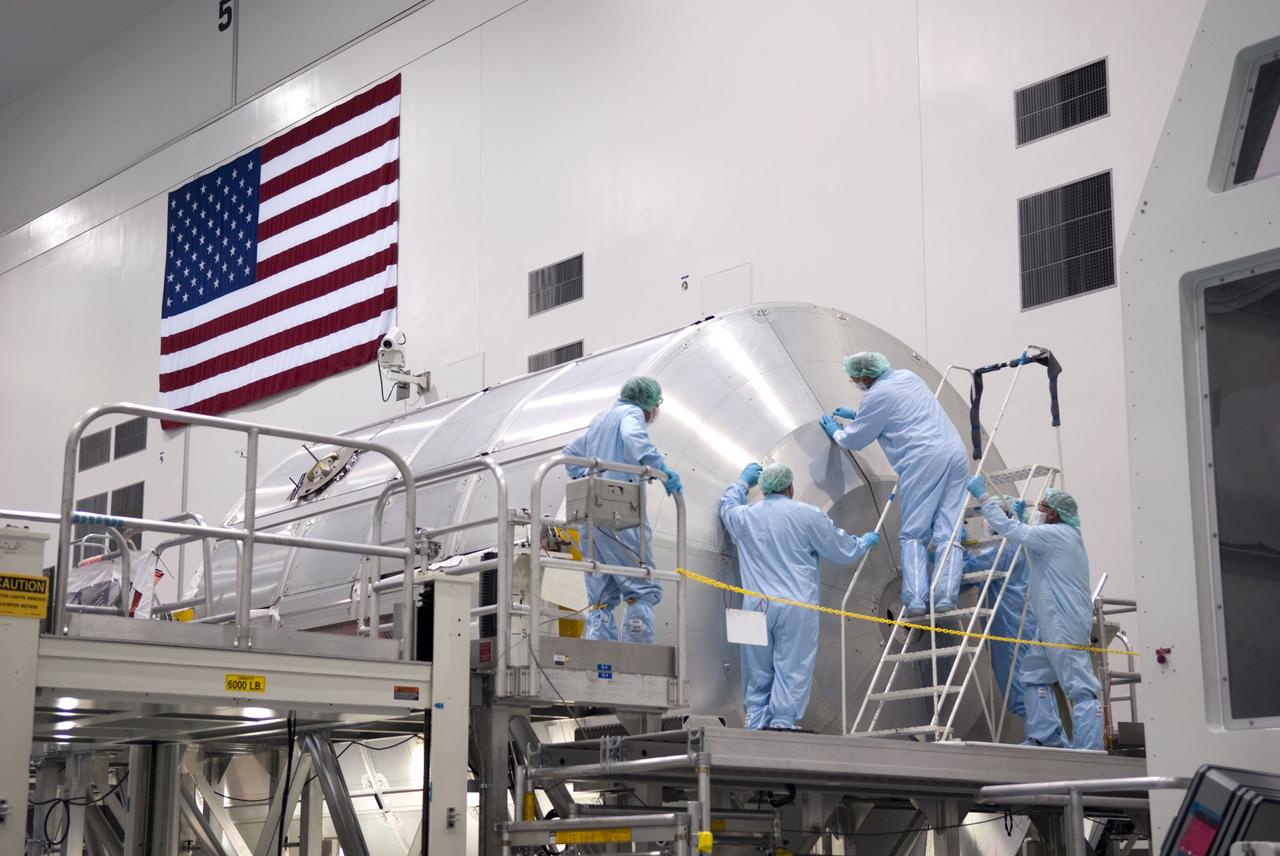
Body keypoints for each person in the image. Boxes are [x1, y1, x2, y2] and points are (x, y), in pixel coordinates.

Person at [719, 462, 880, 730]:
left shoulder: (744, 516)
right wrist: (861, 543)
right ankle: (782, 722)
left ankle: (755, 720)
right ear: (791, 488)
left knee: (754, 668)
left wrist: (742, 483)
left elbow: (726, 506)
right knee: (792, 667)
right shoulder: (808, 515)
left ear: (765, 488)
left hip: (752, 607)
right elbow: (840, 550)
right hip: (794, 606)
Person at [820, 351, 969, 617]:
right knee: (949, 529)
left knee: (914, 533)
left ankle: (916, 599)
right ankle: (946, 595)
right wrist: (858, 415)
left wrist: (837, 431)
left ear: (865, 376)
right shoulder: (908, 377)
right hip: (954, 453)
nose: (855, 382)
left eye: (854, 378)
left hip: (923, 458)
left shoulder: (876, 396)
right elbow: (903, 413)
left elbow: (854, 440)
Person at [966, 477, 1103, 749]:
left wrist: (984, 499)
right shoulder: (1057, 536)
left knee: (1079, 684)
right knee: (1032, 674)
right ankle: (1046, 737)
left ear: (1053, 514)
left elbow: (1012, 531)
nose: (1037, 510)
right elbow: (1025, 536)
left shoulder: (1058, 535)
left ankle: (1089, 747)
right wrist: (1022, 518)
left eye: (1041, 507)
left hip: (1065, 623)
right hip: (1051, 623)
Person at [562, 376, 683, 644]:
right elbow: (633, 437)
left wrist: (587, 477)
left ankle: (599, 655)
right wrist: (661, 469)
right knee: (641, 586)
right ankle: (637, 656)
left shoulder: (601, 421)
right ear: (649, 404)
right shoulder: (631, 414)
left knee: (601, 597)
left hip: (591, 520)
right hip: (621, 515)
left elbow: (570, 452)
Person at [960, 516, 1039, 727]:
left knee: (1021, 687)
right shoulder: (1021, 545)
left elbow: (971, 571)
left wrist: (955, 550)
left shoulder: (1006, 548)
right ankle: (1042, 736)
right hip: (1020, 622)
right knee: (1028, 686)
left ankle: (1041, 737)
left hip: (1010, 625)